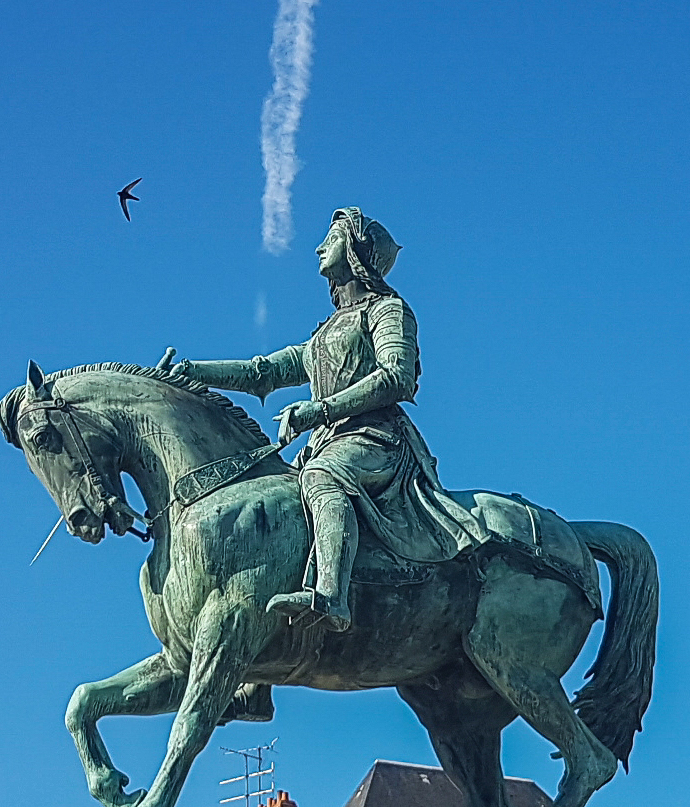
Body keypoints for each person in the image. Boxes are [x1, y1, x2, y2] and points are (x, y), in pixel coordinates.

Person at [162, 208, 485, 631]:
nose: (319, 247)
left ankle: (331, 595)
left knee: (320, 478)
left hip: (376, 441)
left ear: (354, 252)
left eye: (330, 239)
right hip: (329, 442)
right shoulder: (325, 333)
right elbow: (264, 371)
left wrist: (321, 410)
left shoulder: (387, 311)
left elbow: (397, 376)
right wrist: (194, 372)